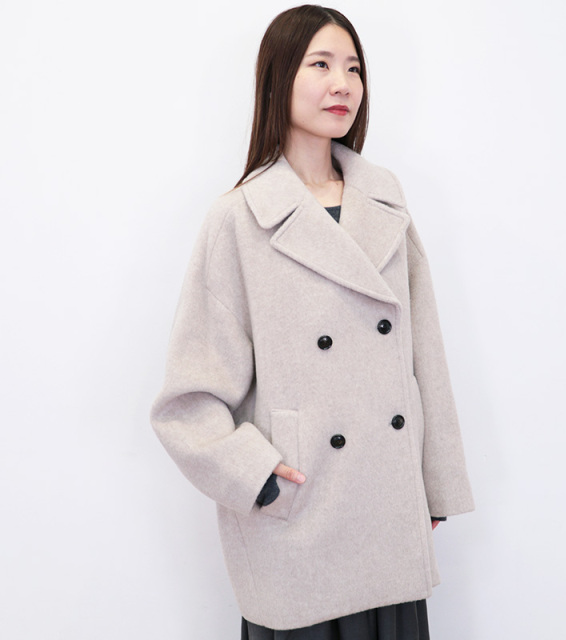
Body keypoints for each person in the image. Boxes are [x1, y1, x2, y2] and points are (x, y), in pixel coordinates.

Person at [150, 5, 474, 639]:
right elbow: (187, 401)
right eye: (320, 64)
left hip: (386, 508)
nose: (342, 84)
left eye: (353, 69)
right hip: (302, 521)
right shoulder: (239, 218)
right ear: (278, 78)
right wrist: (257, 479)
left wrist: (434, 483)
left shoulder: (386, 200)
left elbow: (424, 352)